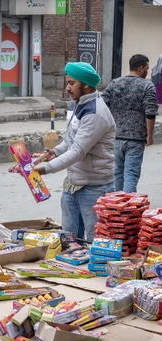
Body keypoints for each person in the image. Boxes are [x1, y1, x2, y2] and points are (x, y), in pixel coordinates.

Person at [34, 62, 116, 242]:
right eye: (67, 83)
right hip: (72, 183)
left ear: (85, 85)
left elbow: (78, 151)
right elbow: (70, 141)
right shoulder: (76, 105)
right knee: (69, 242)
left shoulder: (95, 112)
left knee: (96, 242)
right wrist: (53, 152)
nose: (67, 88)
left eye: (71, 83)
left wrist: (46, 168)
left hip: (94, 187)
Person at [103, 54, 158, 193]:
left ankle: (116, 208)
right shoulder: (147, 86)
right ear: (140, 68)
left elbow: (102, 105)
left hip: (116, 137)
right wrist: (150, 136)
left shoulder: (115, 83)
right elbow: (150, 112)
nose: (147, 71)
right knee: (131, 175)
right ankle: (127, 209)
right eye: (146, 68)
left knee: (117, 174)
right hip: (136, 139)